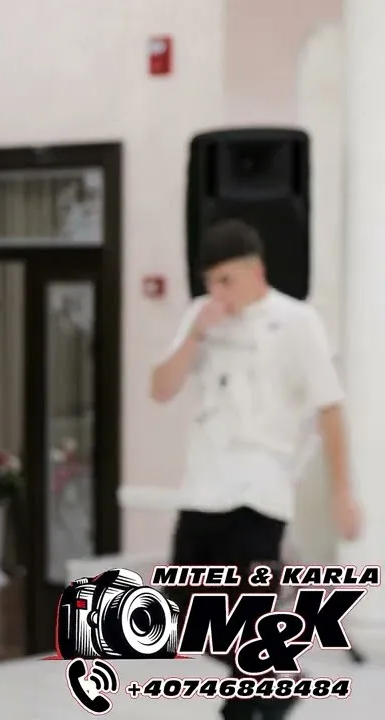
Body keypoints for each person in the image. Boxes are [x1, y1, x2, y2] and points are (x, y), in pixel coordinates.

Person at [150, 219, 360, 720]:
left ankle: (252, 699)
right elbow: (161, 388)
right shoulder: (201, 317)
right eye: (210, 282)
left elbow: (330, 408)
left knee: (248, 613)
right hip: (203, 489)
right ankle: (277, 681)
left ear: (256, 272)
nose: (218, 292)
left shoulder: (297, 321)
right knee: (182, 610)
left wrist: (342, 491)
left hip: (260, 492)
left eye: (227, 280)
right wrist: (197, 333)